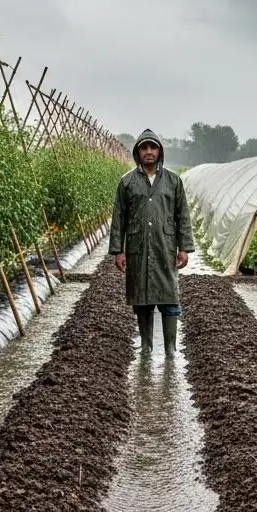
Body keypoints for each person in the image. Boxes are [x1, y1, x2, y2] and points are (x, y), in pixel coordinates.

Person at [108, 129, 194, 355]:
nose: (149, 152)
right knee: (142, 297)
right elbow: (119, 218)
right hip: (138, 247)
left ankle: (170, 349)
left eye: (153, 147)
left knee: (169, 296)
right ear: (138, 152)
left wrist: (184, 248)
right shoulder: (127, 182)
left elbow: (182, 215)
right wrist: (118, 250)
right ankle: (146, 347)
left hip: (165, 247)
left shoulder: (173, 181)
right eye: (144, 148)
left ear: (159, 151)